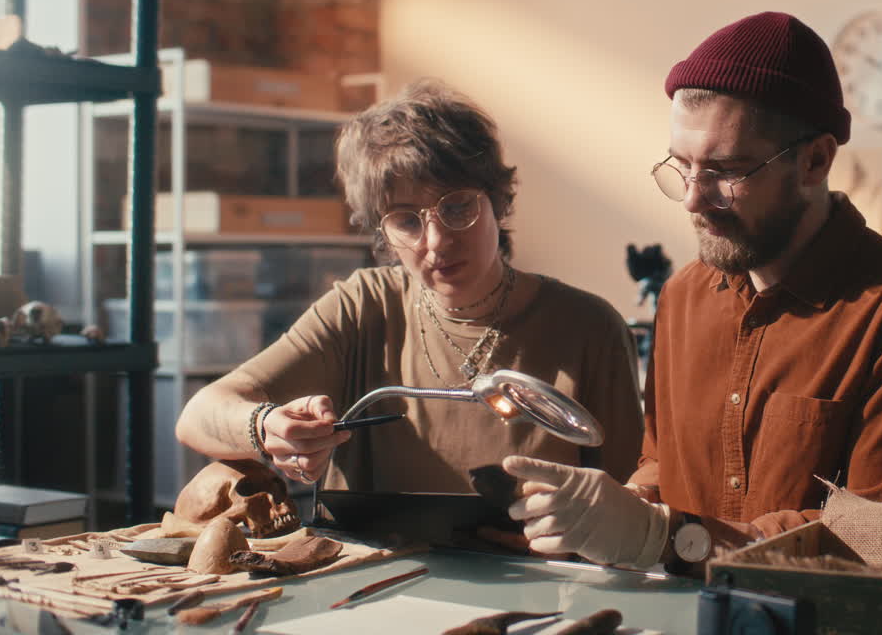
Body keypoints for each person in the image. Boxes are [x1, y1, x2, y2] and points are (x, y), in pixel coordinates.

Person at [504, 11, 882, 572]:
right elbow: (664, 462)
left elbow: (880, 538)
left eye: (726, 171)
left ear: (815, 160)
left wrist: (668, 538)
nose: (692, 200)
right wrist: (632, 503)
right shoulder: (682, 298)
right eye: (682, 167)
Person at [175, 78, 644, 498]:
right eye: (405, 220)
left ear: (498, 201)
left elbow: (633, 496)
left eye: (458, 207)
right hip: (377, 580)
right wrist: (268, 427)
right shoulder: (362, 307)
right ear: (383, 232)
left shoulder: (588, 329)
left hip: (539, 585)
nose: (436, 242)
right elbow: (199, 414)